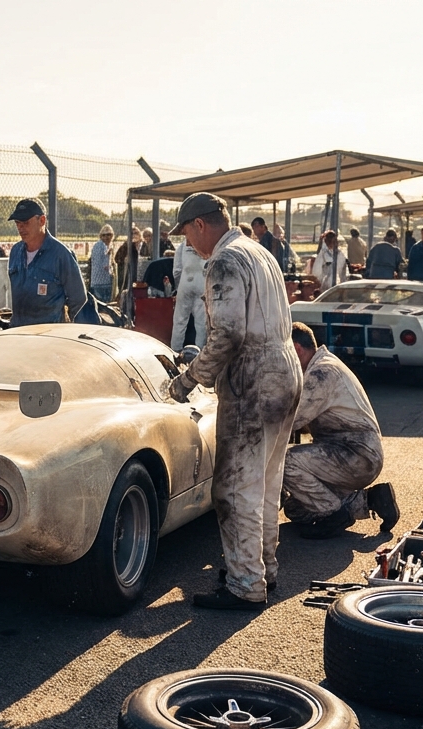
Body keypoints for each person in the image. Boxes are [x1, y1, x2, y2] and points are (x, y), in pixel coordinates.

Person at [165, 193, 301, 611]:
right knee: (265, 481)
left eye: (186, 234)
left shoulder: (224, 262)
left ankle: (244, 583)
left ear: (200, 225)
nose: (187, 243)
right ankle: (263, 569)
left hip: (252, 378)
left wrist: (190, 378)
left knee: (234, 487)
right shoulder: (259, 252)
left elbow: (227, 334)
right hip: (286, 369)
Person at [282, 323, 399, 538]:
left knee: (286, 462)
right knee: (296, 510)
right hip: (346, 452)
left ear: (297, 349)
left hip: (356, 454)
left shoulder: (322, 373)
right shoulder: (321, 366)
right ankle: (371, 500)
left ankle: (333, 514)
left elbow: (289, 420)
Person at [6, 198, 86, 327]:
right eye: (17, 223)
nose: (20, 228)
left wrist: (60, 325)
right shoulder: (15, 252)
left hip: (48, 337)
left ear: (42, 220)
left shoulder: (61, 254)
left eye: (25, 222)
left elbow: (78, 297)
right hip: (19, 332)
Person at [169, 236, 206, 352]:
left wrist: (178, 286)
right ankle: (199, 352)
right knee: (201, 323)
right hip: (202, 283)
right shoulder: (206, 244)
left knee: (179, 321)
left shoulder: (182, 246)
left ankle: (175, 351)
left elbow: (177, 270)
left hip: (185, 282)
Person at [113, 226, 142, 296]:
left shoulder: (143, 245)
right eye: (132, 233)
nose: (134, 235)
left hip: (140, 275)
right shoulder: (125, 246)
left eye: (136, 233)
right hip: (126, 277)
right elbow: (117, 259)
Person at [89, 224, 115, 303]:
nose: (106, 237)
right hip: (102, 283)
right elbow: (106, 266)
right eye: (104, 235)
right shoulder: (103, 246)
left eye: (109, 235)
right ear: (101, 236)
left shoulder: (98, 245)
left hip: (96, 282)